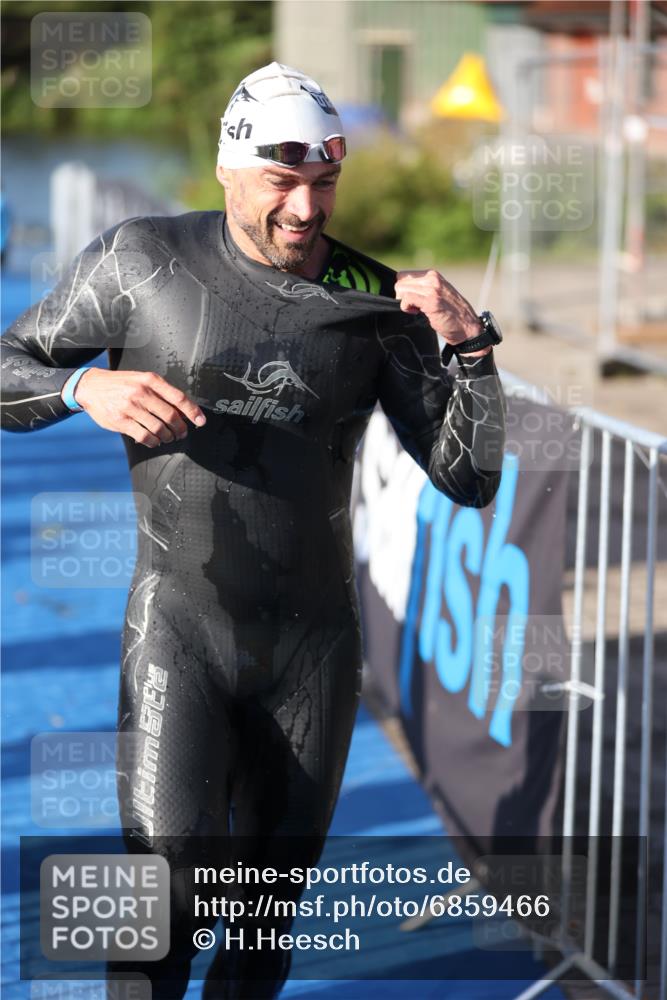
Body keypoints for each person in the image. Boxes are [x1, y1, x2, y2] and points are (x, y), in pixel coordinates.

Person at [1, 63, 505, 999]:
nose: (306, 210)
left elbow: (468, 479)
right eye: (281, 182)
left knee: (262, 931)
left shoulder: (377, 305)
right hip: (178, 636)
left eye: (325, 183)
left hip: (312, 652)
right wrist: (82, 386)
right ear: (227, 168)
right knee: (157, 917)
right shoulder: (141, 261)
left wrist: (471, 350)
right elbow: (6, 366)